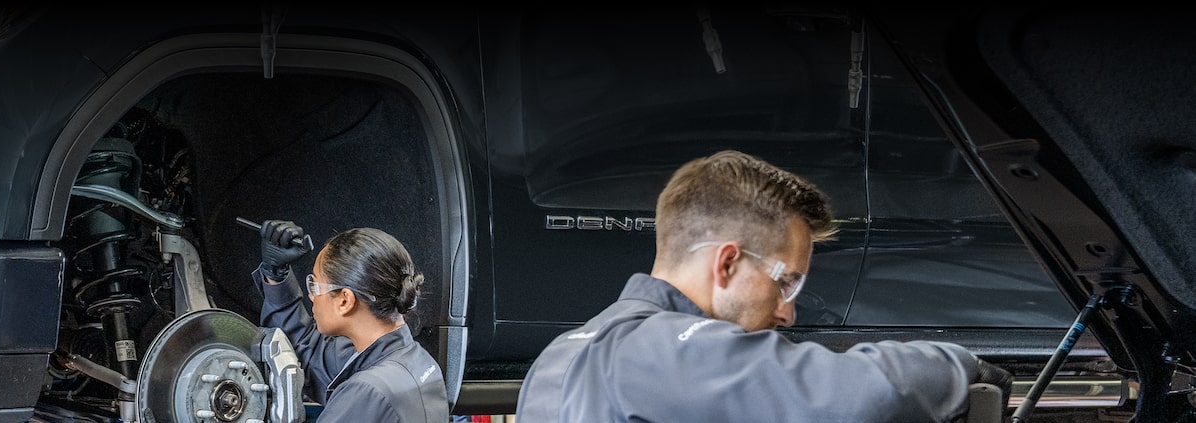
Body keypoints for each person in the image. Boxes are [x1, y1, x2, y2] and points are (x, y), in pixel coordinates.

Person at [515, 150, 1013, 422]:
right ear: (728, 262)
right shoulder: (666, 349)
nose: (788, 313)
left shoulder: (557, 357)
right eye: (786, 282)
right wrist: (959, 365)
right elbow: (861, 395)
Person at [253, 223, 449, 423]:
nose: (312, 297)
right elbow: (306, 349)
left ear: (345, 300)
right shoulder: (417, 360)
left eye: (315, 285)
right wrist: (275, 274)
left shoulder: (366, 392)